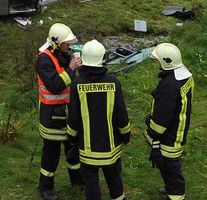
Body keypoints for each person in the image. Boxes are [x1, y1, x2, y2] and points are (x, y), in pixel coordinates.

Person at [67, 40, 131, 200]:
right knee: (115, 180)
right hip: (111, 148)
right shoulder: (113, 83)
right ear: (102, 58)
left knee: (91, 184)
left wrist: (72, 139)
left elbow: (73, 117)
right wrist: (126, 136)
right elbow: (121, 114)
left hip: (88, 150)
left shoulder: (77, 84)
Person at [36, 23, 84, 200]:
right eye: (66, 43)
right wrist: (71, 69)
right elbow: (55, 86)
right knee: (51, 154)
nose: (69, 46)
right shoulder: (44, 60)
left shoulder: (63, 54)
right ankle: (46, 187)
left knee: (73, 149)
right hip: (51, 116)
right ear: (56, 43)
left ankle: (78, 183)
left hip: (68, 113)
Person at [145, 43, 194, 200]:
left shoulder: (169, 85)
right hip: (178, 129)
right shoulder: (185, 76)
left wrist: (152, 133)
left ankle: (175, 195)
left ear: (166, 62)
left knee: (171, 169)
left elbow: (162, 119)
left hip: (169, 137)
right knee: (170, 168)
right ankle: (170, 189)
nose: (156, 63)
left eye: (158, 60)